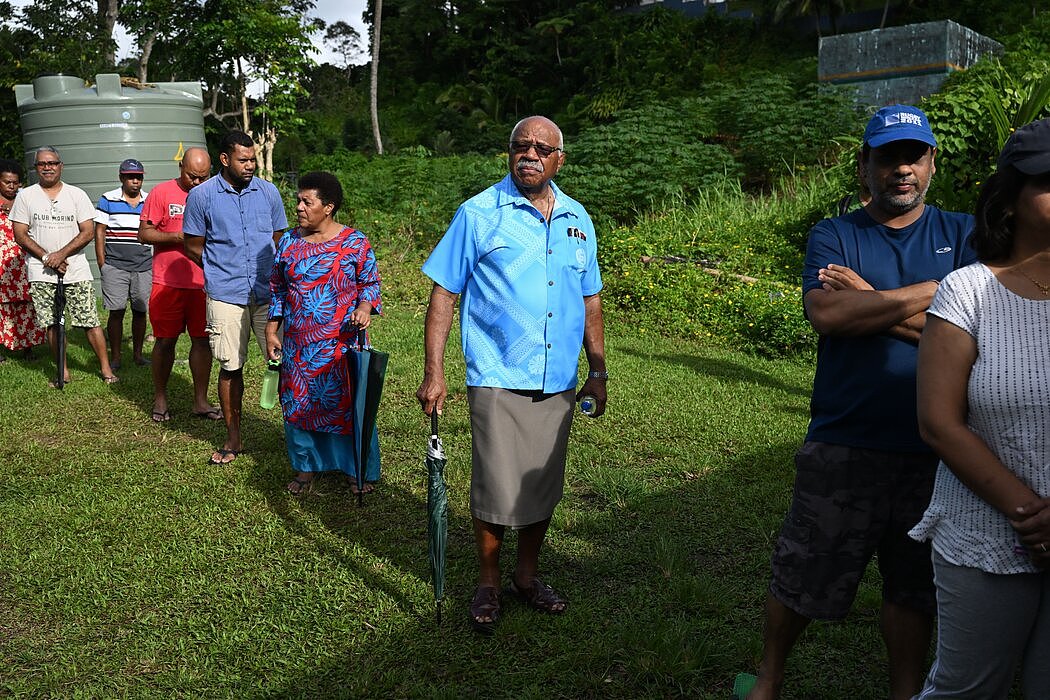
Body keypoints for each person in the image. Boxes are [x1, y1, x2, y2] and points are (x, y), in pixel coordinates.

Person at [745, 106, 977, 700]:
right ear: (864, 166)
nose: (902, 169)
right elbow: (827, 315)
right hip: (844, 439)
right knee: (804, 571)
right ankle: (769, 679)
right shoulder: (835, 233)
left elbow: (975, 339)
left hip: (936, 445)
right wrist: (938, 293)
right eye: (887, 157)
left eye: (914, 156)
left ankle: (904, 691)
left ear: (931, 164)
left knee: (914, 585)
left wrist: (870, 299)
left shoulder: (967, 232)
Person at [416, 115, 608, 633]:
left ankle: (526, 574)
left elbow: (590, 298)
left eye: (541, 148)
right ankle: (488, 580)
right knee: (497, 487)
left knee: (541, 483)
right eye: (521, 145)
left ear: (558, 159)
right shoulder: (479, 214)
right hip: (497, 371)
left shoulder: (578, 219)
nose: (530, 154)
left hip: (559, 378)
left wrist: (598, 369)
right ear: (508, 153)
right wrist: (434, 371)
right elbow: (443, 293)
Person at [909, 118, 1050, 698]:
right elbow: (938, 423)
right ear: (1010, 202)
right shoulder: (967, 290)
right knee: (968, 688)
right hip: (986, 534)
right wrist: (1033, 515)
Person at [264, 171, 382, 497]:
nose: (299, 207)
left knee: (348, 405)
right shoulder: (288, 242)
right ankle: (305, 469)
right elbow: (277, 289)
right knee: (298, 404)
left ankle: (355, 469)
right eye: (298, 200)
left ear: (328, 207)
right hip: (299, 346)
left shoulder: (355, 243)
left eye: (307, 201)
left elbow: (370, 285)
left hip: (341, 345)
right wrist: (272, 329)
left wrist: (364, 308)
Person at [184, 131, 288, 465]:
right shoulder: (202, 196)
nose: (250, 165)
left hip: (267, 293)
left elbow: (277, 237)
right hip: (226, 294)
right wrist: (217, 269)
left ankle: (298, 437)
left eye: (253, 159)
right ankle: (234, 438)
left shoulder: (268, 192)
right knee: (231, 366)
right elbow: (192, 243)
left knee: (285, 364)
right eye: (243, 159)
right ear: (225, 159)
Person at [11, 146, 118, 385]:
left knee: (90, 320)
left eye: (52, 163)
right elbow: (20, 234)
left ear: (61, 166)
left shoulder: (76, 194)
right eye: (42, 164)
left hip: (76, 268)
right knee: (52, 322)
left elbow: (88, 231)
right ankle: (63, 371)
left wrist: (60, 255)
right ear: (36, 167)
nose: (47, 167)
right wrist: (48, 258)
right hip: (41, 271)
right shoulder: (26, 196)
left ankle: (106, 369)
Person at [137, 146, 221, 422]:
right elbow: (144, 233)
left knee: (202, 341)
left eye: (203, 177)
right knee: (165, 341)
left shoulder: (214, 194)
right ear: (181, 168)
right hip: (168, 282)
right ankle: (160, 397)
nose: (197, 183)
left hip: (202, 282)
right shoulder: (162, 193)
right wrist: (178, 237)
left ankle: (200, 400)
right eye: (191, 176)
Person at [95, 158, 151, 370]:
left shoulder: (150, 200)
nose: (135, 181)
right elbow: (99, 231)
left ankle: (137, 355)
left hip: (143, 265)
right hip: (115, 265)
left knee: (140, 310)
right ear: (122, 178)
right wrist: (103, 263)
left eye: (138, 177)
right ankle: (116, 356)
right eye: (130, 177)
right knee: (116, 311)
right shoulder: (108, 199)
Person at [0, 159, 44, 361]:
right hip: (2, 265)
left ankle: (28, 347)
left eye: (15, 182)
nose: (11, 186)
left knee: (27, 304)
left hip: (24, 261)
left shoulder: (25, 201)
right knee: (3, 307)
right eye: (7, 182)